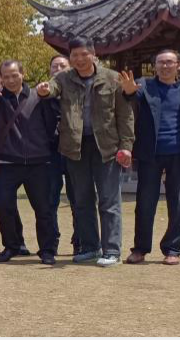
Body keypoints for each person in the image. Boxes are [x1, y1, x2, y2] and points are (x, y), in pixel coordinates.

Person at [37, 37, 135, 267]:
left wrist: (126, 146)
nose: (79, 59)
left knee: (109, 200)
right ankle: (91, 247)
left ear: (93, 55)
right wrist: (44, 90)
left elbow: (125, 115)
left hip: (106, 146)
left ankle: (112, 250)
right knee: (82, 200)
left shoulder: (112, 78)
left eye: (84, 54)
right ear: (70, 57)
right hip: (75, 147)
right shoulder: (64, 78)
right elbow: (52, 88)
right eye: (75, 55)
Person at [121, 50, 180, 266]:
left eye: (169, 62)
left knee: (177, 204)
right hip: (150, 154)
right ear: (155, 66)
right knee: (145, 203)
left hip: (179, 153)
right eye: (160, 62)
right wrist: (128, 92)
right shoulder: (144, 86)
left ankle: (172, 249)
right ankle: (140, 248)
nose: (165, 66)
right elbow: (131, 96)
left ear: (179, 65)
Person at [0, 61, 59, 265]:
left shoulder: (38, 96)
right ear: (1, 79)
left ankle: (47, 250)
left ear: (23, 74)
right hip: (8, 162)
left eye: (14, 75)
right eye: (6, 76)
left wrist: (47, 99)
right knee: (3, 204)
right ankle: (12, 245)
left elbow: (52, 122)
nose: (11, 80)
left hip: (38, 161)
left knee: (43, 209)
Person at [47, 54, 78, 253]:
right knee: (50, 200)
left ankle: (80, 241)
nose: (58, 69)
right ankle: (51, 242)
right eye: (54, 66)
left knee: (78, 199)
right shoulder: (42, 93)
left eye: (62, 66)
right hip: (49, 153)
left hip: (74, 151)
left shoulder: (78, 92)